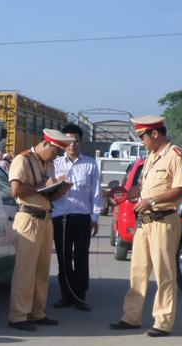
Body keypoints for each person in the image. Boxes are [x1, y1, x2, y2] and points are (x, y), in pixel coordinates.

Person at [110, 115, 182, 337]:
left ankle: (163, 322)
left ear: (154, 134)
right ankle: (131, 317)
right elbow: (143, 187)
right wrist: (126, 195)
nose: (142, 140)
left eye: (142, 136)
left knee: (164, 273)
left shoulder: (176, 155)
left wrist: (152, 201)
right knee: (138, 272)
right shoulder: (151, 157)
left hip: (163, 220)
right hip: (144, 224)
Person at [7, 129, 73, 331]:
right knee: (25, 271)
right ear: (46, 144)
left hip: (45, 218)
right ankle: (18, 316)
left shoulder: (49, 164)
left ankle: (37, 312)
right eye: (54, 152)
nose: (56, 156)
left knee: (42, 271)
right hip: (28, 218)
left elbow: (46, 196)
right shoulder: (23, 159)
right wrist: (42, 185)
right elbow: (16, 190)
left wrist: (59, 190)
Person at [52, 123, 103, 311]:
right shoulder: (55, 165)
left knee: (81, 258)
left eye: (76, 140)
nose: (72, 144)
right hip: (61, 218)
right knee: (64, 259)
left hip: (82, 218)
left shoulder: (90, 164)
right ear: (62, 142)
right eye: (68, 141)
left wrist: (95, 217)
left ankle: (80, 296)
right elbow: (48, 191)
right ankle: (66, 295)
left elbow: (96, 193)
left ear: (81, 142)